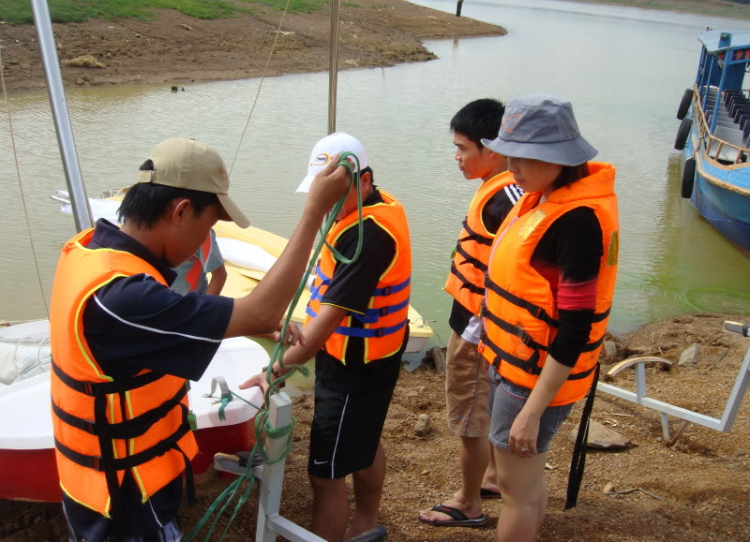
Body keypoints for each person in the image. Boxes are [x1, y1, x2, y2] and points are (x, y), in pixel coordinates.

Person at [49, 136, 349, 542]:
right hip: (124, 498)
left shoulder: (89, 252)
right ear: (180, 211)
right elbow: (261, 310)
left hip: (104, 482)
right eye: (208, 228)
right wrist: (314, 211)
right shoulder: (123, 298)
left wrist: (246, 325)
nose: (205, 243)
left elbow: (161, 322)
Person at [241, 132, 411, 542]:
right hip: (372, 354)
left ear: (363, 181)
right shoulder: (373, 206)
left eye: (335, 195)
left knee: (325, 473)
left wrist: (273, 370)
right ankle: (366, 521)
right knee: (364, 440)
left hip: (355, 368)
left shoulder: (367, 237)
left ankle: (348, 528)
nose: (326, 206)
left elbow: (318, 336)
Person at [478, 94, 619, 542]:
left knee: (514, 493)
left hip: (533, 379)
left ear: (559, 159)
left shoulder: (576, 224)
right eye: (510, 154)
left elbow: (575, 327)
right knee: (529, 482)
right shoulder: (548, 200)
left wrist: (532, 410)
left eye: (523, 158)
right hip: (519, 367)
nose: (512, 167)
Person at [419, 98, 522, 528]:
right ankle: (494, 477)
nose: (456, 156)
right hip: (487, 323)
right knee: (489, 408)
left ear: (493, 149)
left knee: (470, 418)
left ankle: (468, 502)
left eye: (463, 148)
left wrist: (484, 329)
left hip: (481, 328)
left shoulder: (506, 200)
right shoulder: (506, 189)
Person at [171, 228, 227, 295]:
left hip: (185, 302)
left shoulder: (201, 233)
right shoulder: (162, 224)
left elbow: (219, 276)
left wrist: (205, 304)